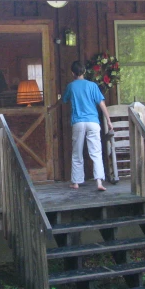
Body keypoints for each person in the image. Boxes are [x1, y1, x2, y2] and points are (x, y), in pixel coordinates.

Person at [62, 60, 113, 191]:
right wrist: (108, 121)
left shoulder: (71, 86)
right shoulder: (92, 86)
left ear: (72, 73)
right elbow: (101, 104)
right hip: (93, 122)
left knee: (77, 152)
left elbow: (63, 100)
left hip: (78, 122)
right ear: (84, 72)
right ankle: (99, 183)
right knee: (96, 152)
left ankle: (76, 182)